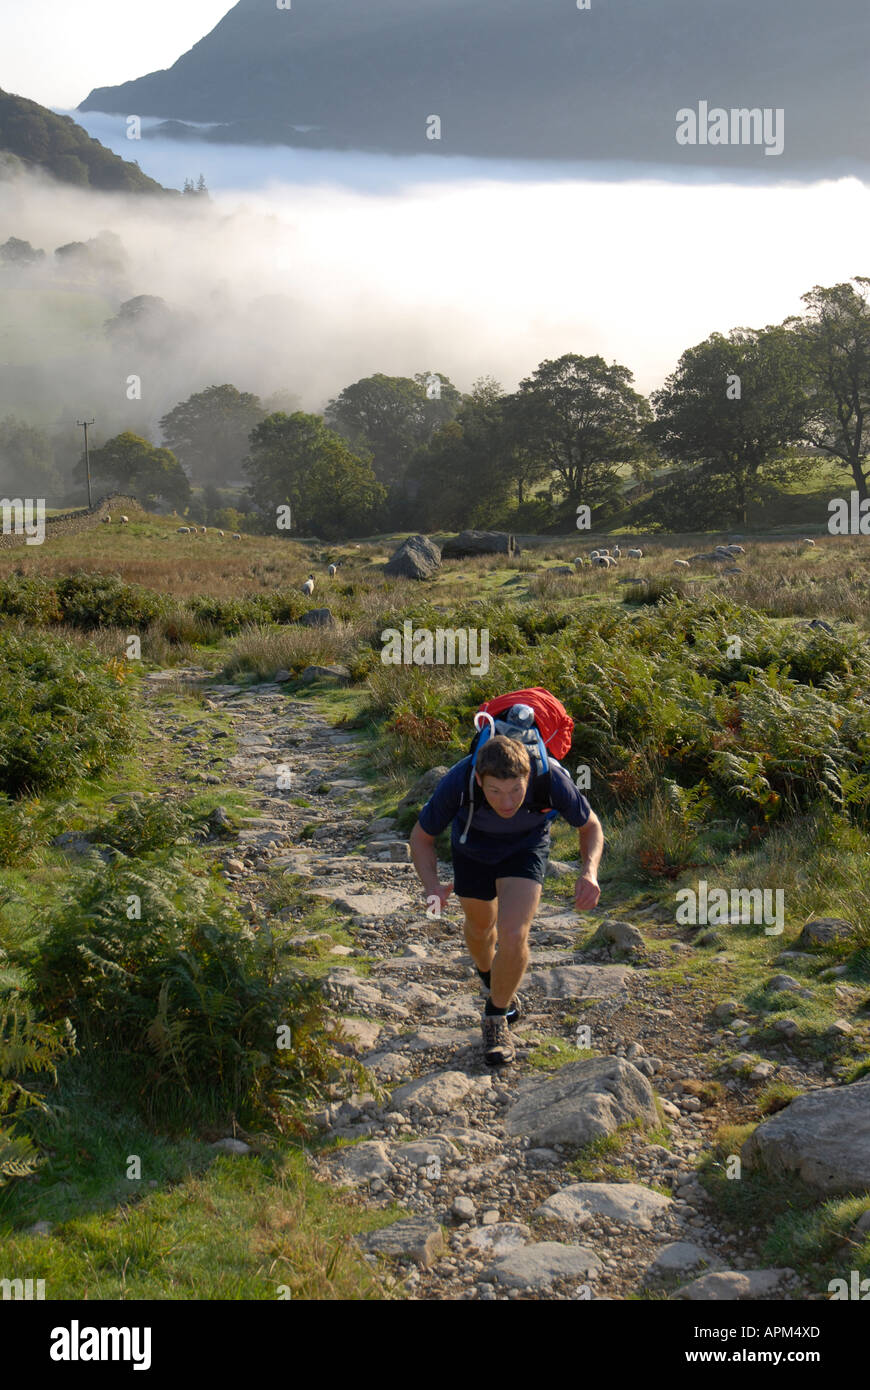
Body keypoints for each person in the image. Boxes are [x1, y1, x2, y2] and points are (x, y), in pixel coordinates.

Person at [409, 733, 603, 1065]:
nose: (507, 802)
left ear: (528, 776)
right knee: (480, 928)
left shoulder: (549, 778)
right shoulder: (459, 780)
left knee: (514, 934)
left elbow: (591, 827)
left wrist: (589, 872)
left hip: (525, 848)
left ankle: (496, 1017)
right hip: (472, 849)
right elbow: (421, 837)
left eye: (516, 790)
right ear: (480, 780)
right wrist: (431, 888)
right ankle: (489, 977)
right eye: (495, 791)